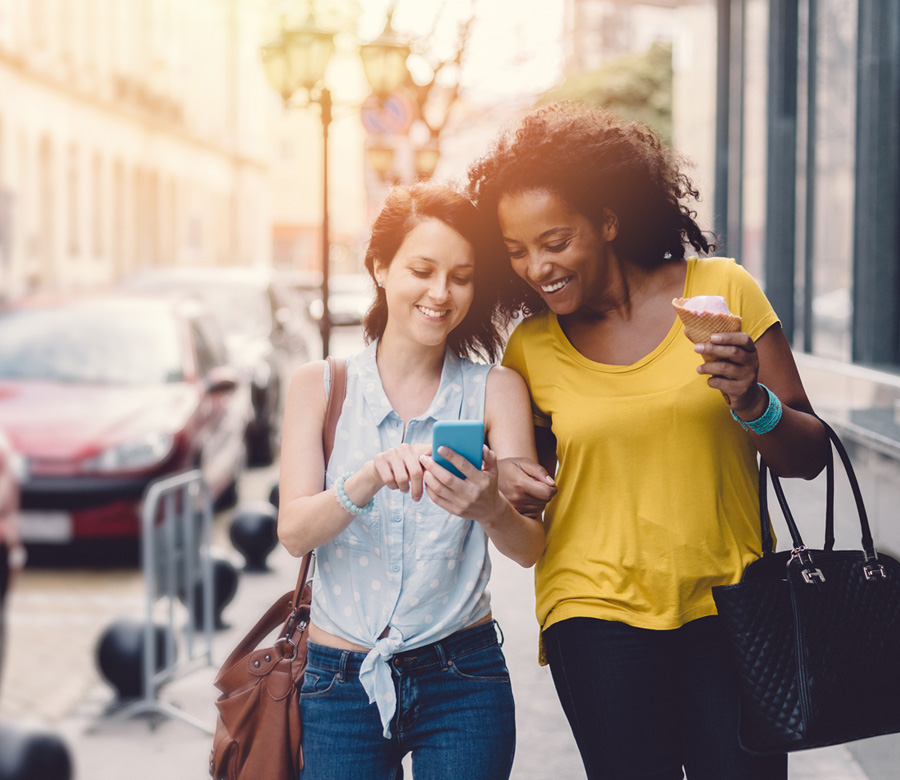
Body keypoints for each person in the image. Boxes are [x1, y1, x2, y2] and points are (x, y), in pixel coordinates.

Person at [466, 102, 829, 780]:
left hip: (734, 606)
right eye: (516, 251)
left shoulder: (723, 292)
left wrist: (751, 399)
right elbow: (527, 504)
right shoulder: (530, 348)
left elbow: (808, 457)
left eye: (554, 241)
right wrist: (506, 485)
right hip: (592, 614)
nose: (535, 268)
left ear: (607, 221)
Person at [277, 182, 547, 780]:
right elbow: (294, 533)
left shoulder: (495, 390)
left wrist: (491, 507)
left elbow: (530, 549)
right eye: (422, 270)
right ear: (379, 267)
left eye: (461, 276)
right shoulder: (318, 386)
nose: (440, 293)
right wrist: (367, 477)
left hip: (462, 676)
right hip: (338, 683)